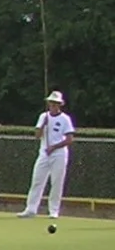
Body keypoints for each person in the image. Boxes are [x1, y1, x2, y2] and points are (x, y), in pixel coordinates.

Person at [19, 91, 75, 220]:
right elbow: (37, 136)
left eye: (56, 103)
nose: (53, 105)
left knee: (57, 182)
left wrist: (54, 147)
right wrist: (42, 125)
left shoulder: (65, 119)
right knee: (37, 181)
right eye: (51, 103)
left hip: (59, 154)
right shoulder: (43, 116)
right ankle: (31, 209)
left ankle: (53, 211)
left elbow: (69, 139)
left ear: (60, 105)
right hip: (44, 154)